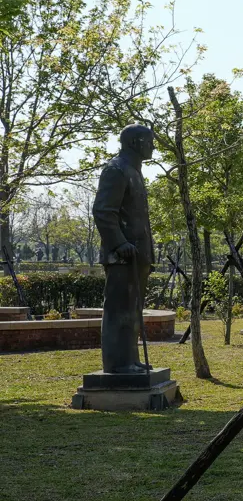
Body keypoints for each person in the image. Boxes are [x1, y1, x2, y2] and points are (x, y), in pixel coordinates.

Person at [92, 125, 156, 374]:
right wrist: (119, 243)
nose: (153, 146)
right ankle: (118, 364)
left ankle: (130, 359)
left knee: (132, 310)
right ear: (134, 142)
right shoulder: (116, 170)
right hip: (122, 256)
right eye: (149, 141)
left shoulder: (134, 171)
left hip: (137, 255)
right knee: (119, 310)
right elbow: (103, 211)